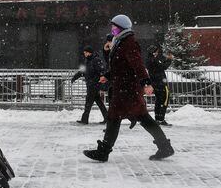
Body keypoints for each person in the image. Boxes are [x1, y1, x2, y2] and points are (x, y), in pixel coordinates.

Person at [83, 14, 174, 162]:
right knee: (131, 117)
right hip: (123, 88)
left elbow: (137, 64)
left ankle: (104, 151)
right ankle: (164, 146)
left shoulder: (129, 42)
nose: (112, 29)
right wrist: (108, 74)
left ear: (121, 28)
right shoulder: (120, 41)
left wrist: (146, 82)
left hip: (127, 89)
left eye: (114, 27)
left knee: (120, 117)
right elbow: (119, 65)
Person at [71, 46, 108, 124]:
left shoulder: (96, 60)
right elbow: (82, 71)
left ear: (89, 52)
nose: (84, 54)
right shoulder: (87, 61)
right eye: (84, 53)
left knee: (88, 102)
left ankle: (85, 119)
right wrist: (75, 77)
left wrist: (100, 77)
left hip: (94, 84)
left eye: (85, 53)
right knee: (99, 102)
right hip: (91, 84)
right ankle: (107, 118)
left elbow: (101, 70)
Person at [146, 45, 173, 126]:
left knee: (158, 101)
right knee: (164, 100)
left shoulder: (149, 60)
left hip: (155, 83)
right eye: (156, 51)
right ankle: (161, 119)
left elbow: (160, 66)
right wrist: (169, 59)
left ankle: (158, 118)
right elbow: (163, 67)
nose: (157, 53)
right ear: (153, 52)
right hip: (161, 83)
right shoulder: (154, 60)